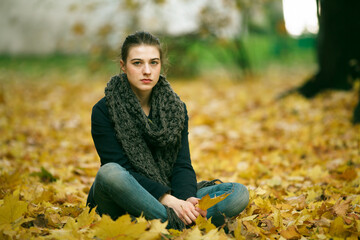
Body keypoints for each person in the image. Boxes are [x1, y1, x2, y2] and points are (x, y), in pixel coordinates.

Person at [86, 31, 249, 230]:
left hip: (171, 194)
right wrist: (168, 200)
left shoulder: (176, 109)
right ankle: (181, 224)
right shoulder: (104, 110)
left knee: (238, 193)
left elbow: (182, 164)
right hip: (121, 201)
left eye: (153, 62)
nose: (147, 71)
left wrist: (186, 200)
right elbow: (122, 168)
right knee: (109, 173)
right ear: (123, 66)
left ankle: (166, 224)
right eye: (137, 63)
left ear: (161, 65)